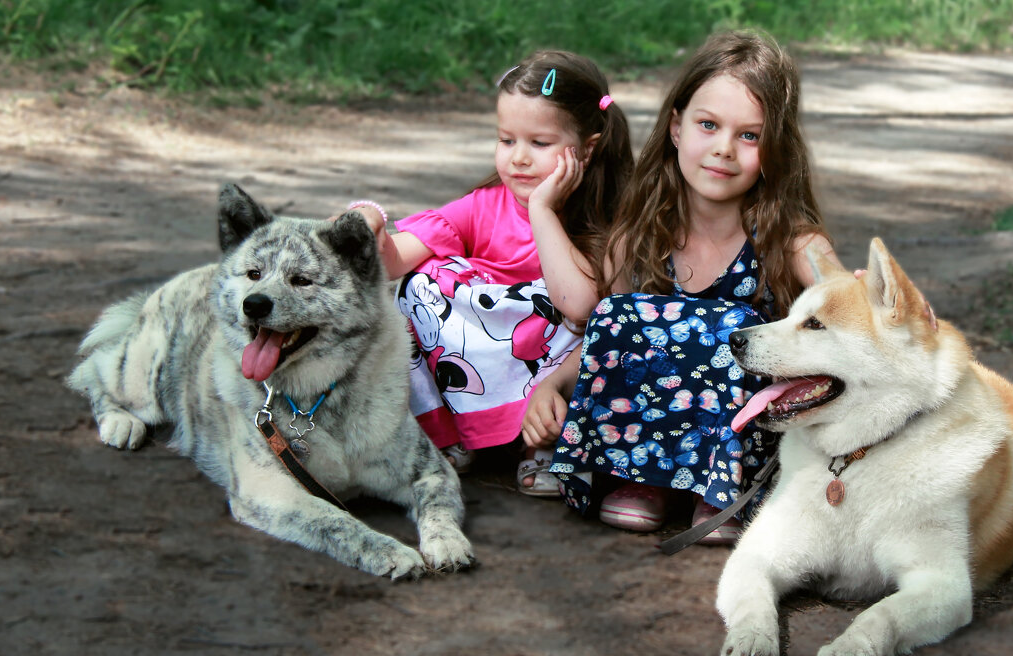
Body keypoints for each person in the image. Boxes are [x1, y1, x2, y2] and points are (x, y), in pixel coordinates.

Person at [522, 30, 840, 541]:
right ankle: (647, 480)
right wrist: (553, 383)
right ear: (676, 127)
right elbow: (606, 338)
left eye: (750, 136)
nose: (723, 150)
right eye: (708, 125)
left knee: (737, 329)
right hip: (642, 440)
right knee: (622, 313)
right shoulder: (641, 236)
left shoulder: (791, 240)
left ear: (776, 148)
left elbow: (844, 296)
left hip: (748, 441)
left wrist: (868, 295)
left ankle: (719, 491)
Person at [347, 51, 633, 496]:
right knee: (420, 282)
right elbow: (390, 262)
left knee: (562, 307)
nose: (518, 159)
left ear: (589, 148)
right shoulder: (483, 205)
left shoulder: (616, 222)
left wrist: (541, 210)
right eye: (506, 140)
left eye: (539, 144)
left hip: (558, 375)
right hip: (482, 361)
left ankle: (542, 444)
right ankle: (453, 433)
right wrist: (368, 224)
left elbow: (580, 308)